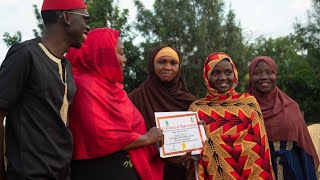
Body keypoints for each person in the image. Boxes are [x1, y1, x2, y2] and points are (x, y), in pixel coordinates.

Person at [0, 0, 90, 179]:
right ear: (66, 17)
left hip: (62, 173)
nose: (88, 27)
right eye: (85, 19)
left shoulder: (67, 67)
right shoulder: (25, 54)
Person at [65, 27, 164, 180]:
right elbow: (102, 135)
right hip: (97, 170)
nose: (125, 60)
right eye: (121, 53)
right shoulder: (84, 85)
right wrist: (147, 138)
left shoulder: (114, 88)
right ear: (103, 54)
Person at [189, 52, 274, 180]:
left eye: (228, 72)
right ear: (207, 75)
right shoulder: (197, 108)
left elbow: (260, 146)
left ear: (234, 74)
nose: (223, 77)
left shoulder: (249, 104)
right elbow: (193, 151)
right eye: (216, 73)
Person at [129, 45, 196, 180]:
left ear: (179, 67)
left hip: (182, 172)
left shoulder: (189, 102)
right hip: (147, 170)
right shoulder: (135, 98)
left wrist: (199, 131)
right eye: (161, 62)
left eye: (173, 63)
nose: (167, 67)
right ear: (151, 65)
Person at [249, 56, 319, 180]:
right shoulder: (243, 109)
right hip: (256, 171)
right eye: (257, 73)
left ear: (275, 75)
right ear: (250, 77)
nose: (264, 77)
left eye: (269, 72)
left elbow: (304, 146)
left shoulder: (291, 107)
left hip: (291, 170)